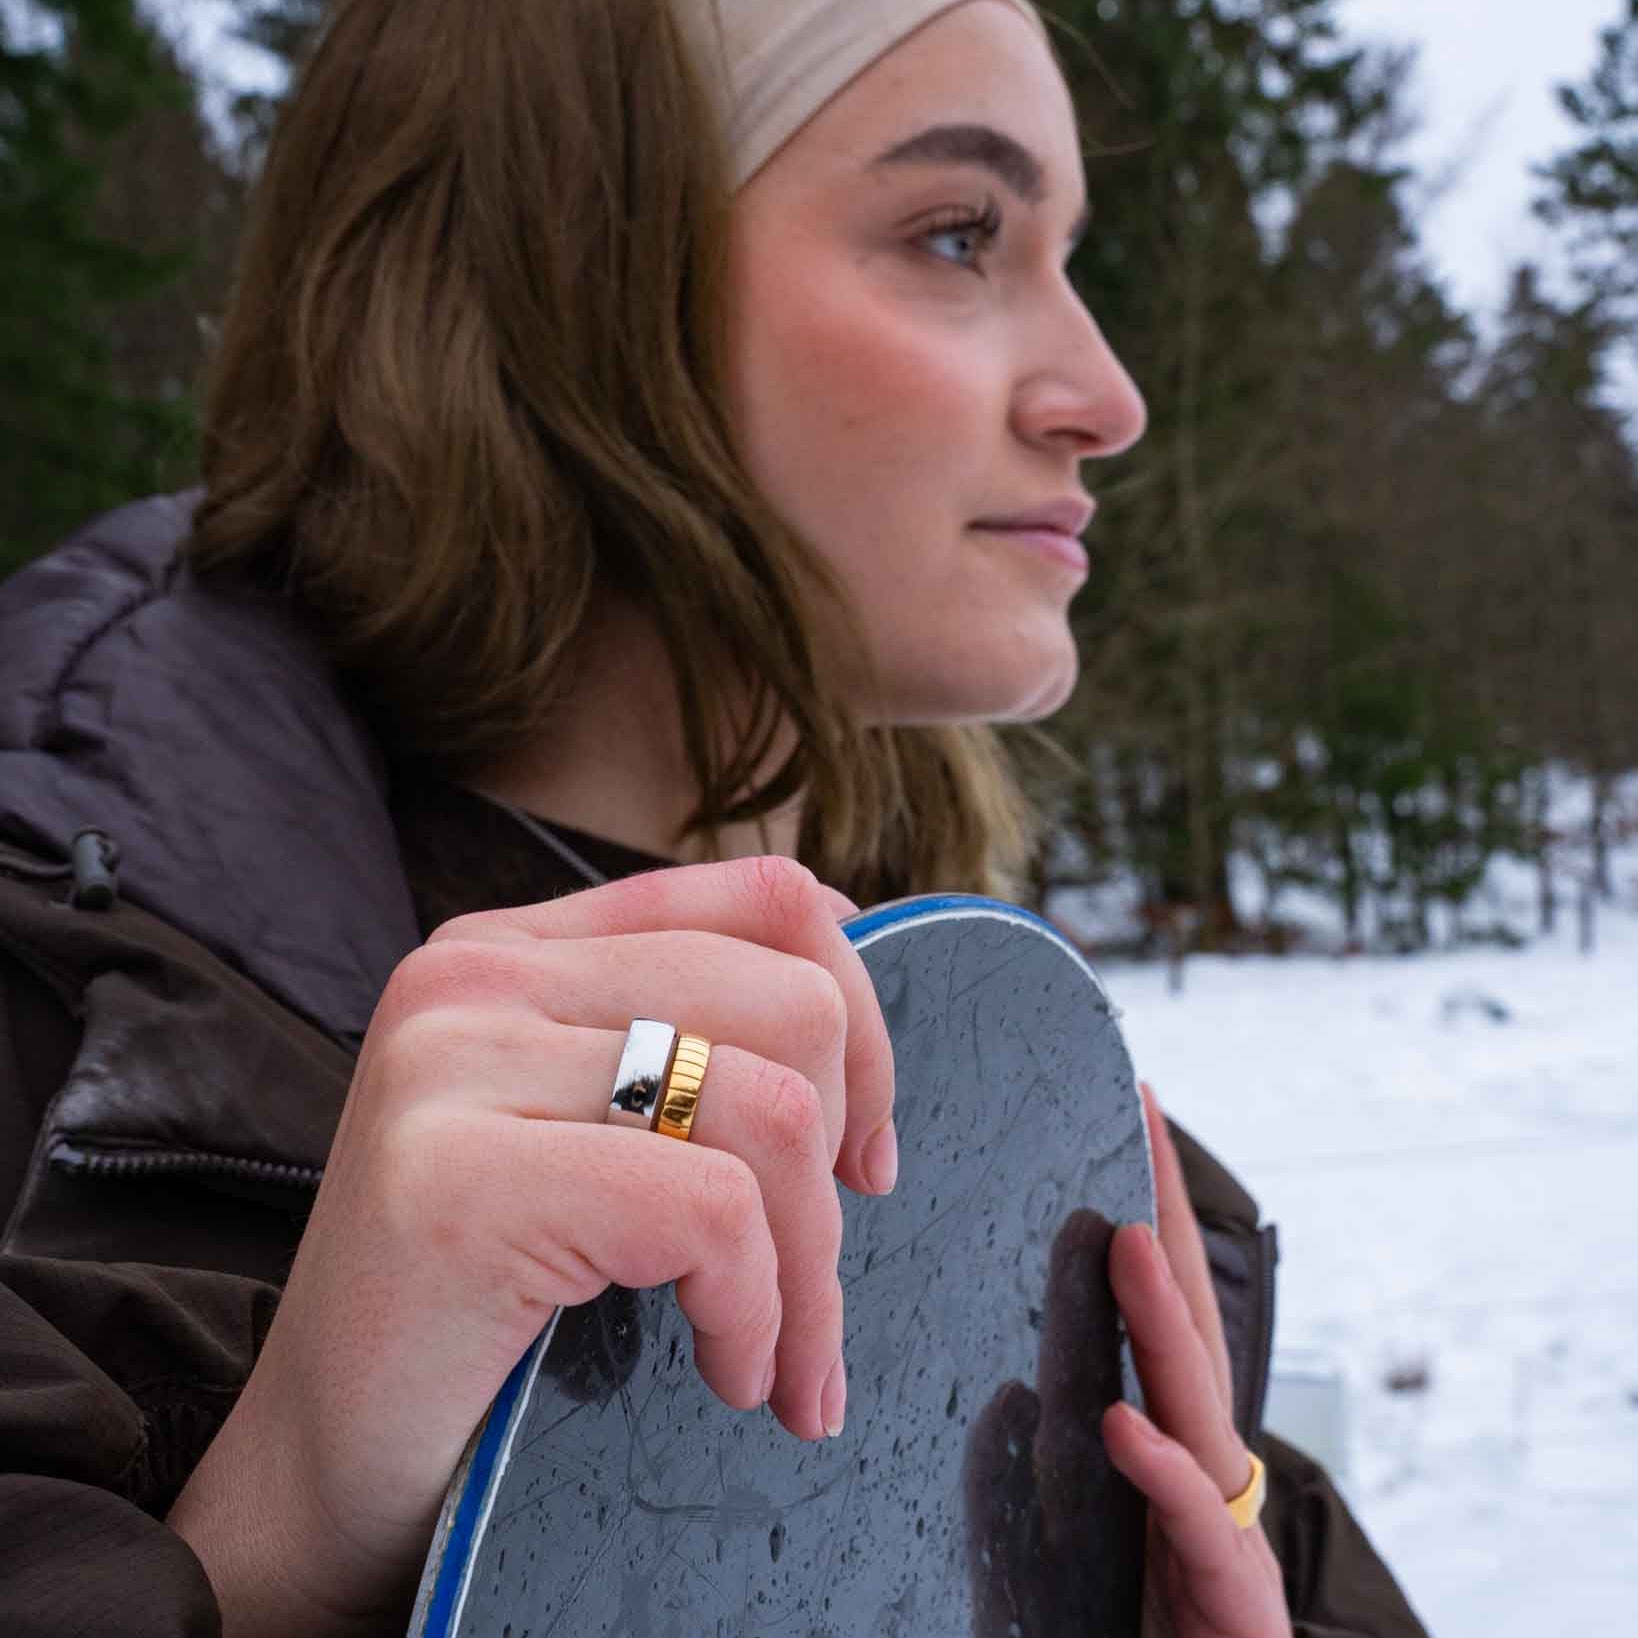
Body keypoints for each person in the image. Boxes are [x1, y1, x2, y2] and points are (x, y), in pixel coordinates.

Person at [0, 2, 1429, 1634]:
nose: (1105, 397)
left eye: (1067, 254)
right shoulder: (56, 1025)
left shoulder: (1012, 1084)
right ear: (563, 280)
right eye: (958, 234)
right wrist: (280, 1529)